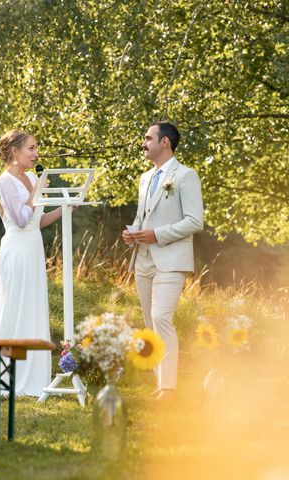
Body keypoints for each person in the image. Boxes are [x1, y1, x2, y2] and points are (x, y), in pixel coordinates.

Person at [123, 122, 204, 402]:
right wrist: (133, 232)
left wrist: (156, 235)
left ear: (165, 142)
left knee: (161, 318)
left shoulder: (186, 175)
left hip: (171, 260)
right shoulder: (146, 178)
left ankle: (169, 389)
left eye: (148, 138)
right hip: (143, 260)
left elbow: (195, 221)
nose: (143, 143)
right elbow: (142, 216)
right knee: (149, 322)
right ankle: (160, 384)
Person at [0, 129, 62, 397]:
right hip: (17, 249)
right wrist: (38, 191)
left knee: (33, 306)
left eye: (36, 148)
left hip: (33, 247)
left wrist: (64, 208)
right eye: (31, 148)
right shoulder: (5, 182)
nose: (36, 153)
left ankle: (35, 377)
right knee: (17, 307)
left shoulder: (32, 177)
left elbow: (38, 221)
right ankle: (15, 378)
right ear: (14, 151)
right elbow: (21, 220)